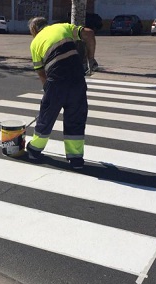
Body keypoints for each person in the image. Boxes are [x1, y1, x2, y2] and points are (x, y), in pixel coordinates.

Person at [26, 16, 97, 170]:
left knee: (46, 117)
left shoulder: (35, 43)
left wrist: (49, 95)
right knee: (75, 119)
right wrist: (91, 60)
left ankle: (34, 150)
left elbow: (41, 74)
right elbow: (89, 33)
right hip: (77, 81)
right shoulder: (62, 27)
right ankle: (76, 159)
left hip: (56, 82)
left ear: (34, 30)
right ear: (47, 24)